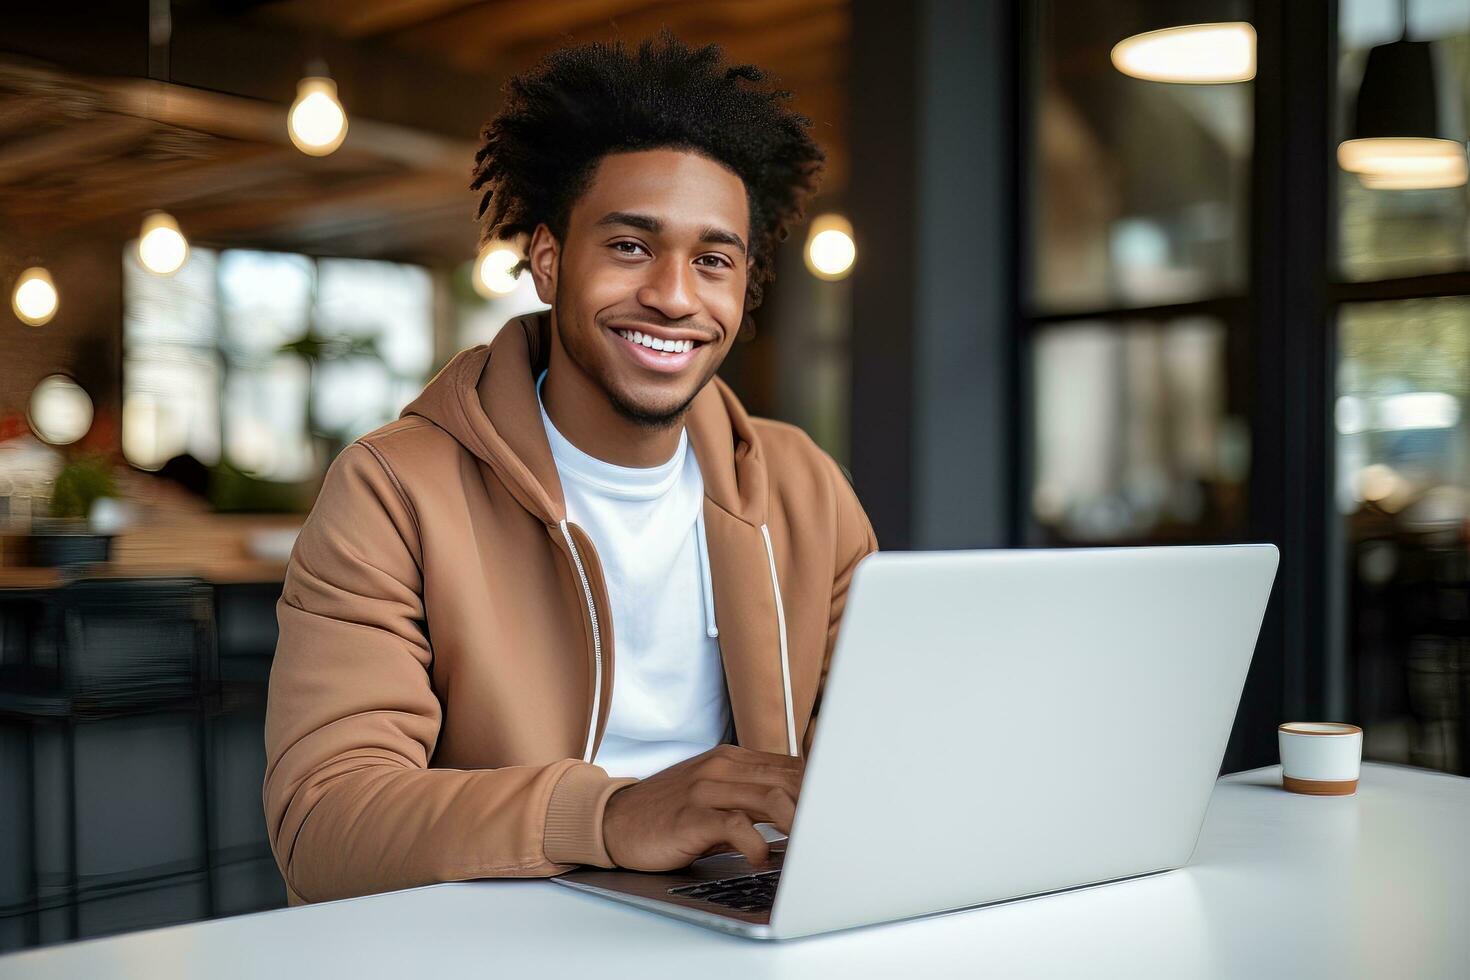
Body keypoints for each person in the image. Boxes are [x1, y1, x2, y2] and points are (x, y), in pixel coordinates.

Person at [263, 29, 878, 906]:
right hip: (500, 932)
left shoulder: (800, 485)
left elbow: (885, 752)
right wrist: (611, 815)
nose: (674, 294)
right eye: (631, 246)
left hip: (743, 916)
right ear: (549, 260)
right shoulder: (393, 492)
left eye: (713, 260)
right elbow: (323, 826)